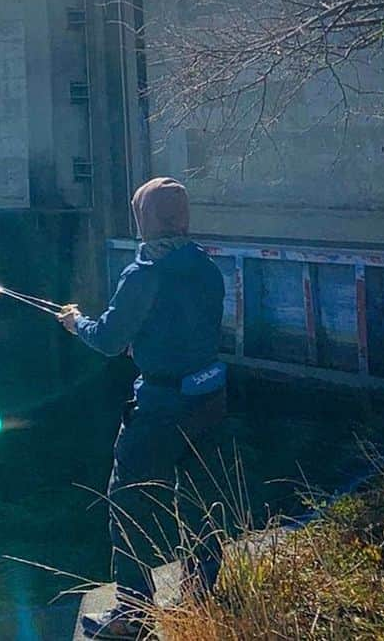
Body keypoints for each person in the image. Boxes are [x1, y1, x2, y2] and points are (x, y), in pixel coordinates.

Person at [57, 176, 228, 640]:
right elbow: (194, 330)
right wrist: (150, 345)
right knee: (199, 501)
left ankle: (133, 616)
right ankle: (202, 598)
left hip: (160, 406)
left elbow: (110, 340)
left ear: (145, 219)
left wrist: (77, 324)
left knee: (129, 501)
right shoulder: (207, 268)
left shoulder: (144, 273)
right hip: (210, 399)